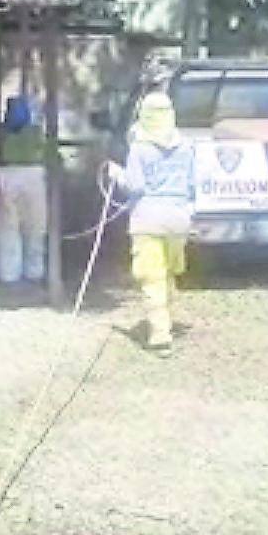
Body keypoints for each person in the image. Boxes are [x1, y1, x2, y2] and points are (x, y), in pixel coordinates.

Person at [106, 92, 196, 355]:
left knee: (152, 276)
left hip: (147, 218)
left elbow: (135, 186)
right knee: (169, 271)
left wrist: (116, 174)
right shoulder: (187, 146)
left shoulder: (140, 148)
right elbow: (192, 185)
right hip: (179, 219)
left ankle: (160, 334)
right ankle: (166, 318)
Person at [0, 95, 50, 285]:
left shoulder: (2, 133)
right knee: (35, 226)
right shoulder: (37, 133)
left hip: (7, 174)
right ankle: (34, 272)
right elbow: (50, 155)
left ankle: (9, 274)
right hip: (35, 176)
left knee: (8, 227)